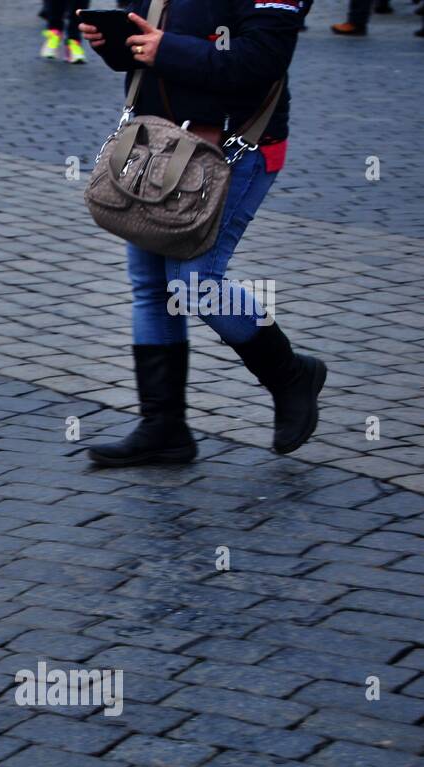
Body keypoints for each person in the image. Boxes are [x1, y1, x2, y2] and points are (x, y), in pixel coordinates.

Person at [79, 1, 326, 467]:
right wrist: (115, 43)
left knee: (194, 284)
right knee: (152, 288)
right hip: (161, 142)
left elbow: (260, 62)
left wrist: (164, 49)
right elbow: (145, 36)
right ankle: (164, 428)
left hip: (234, 148)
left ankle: (291, 376)